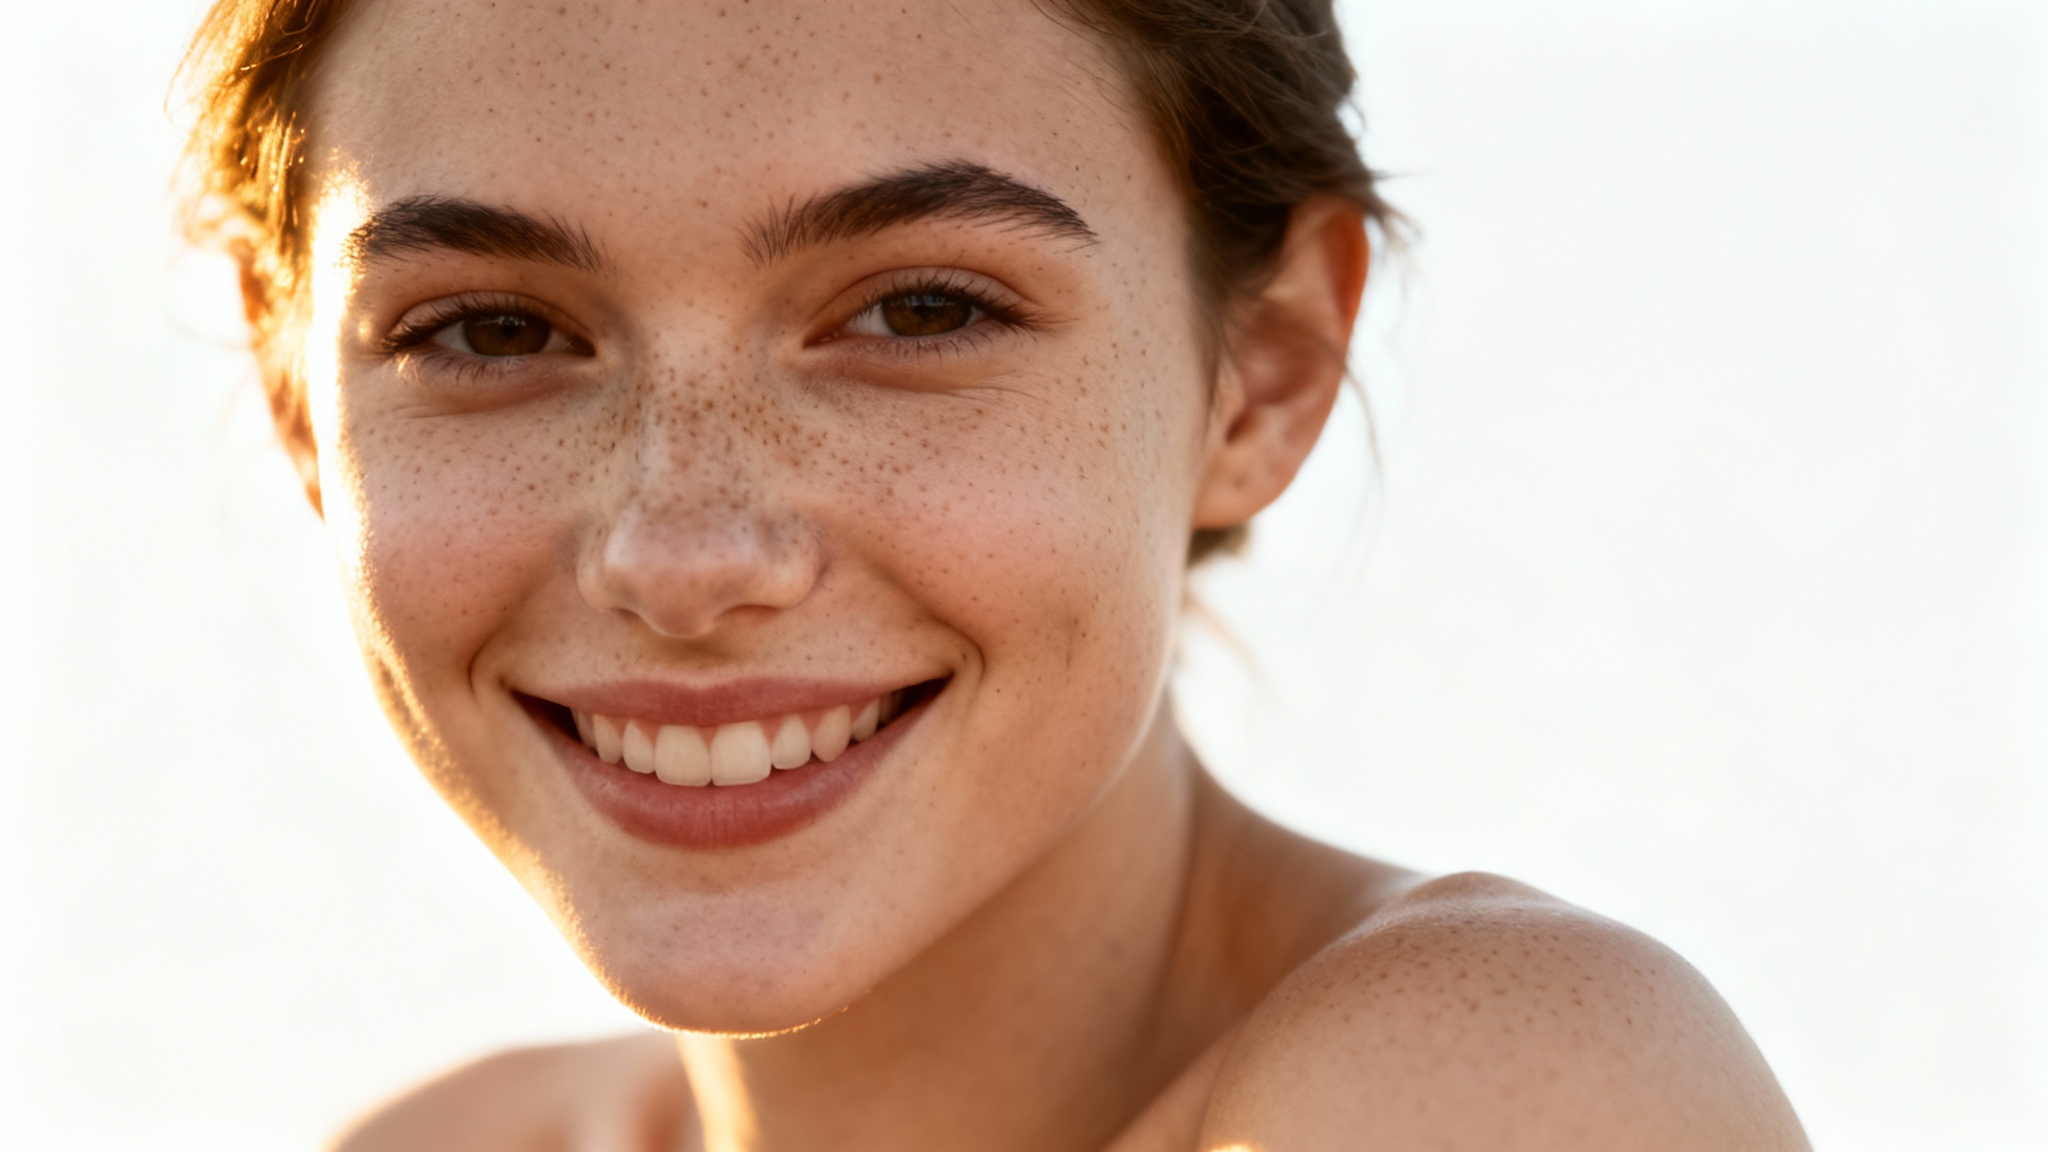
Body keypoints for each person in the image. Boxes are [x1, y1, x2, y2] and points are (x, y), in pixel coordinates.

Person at [177, 0, 1810, 1147]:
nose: (683, 554)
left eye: (921, 312)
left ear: (1265, 371)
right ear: (296, 399)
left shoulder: (1498, 1092)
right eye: (491, 330)